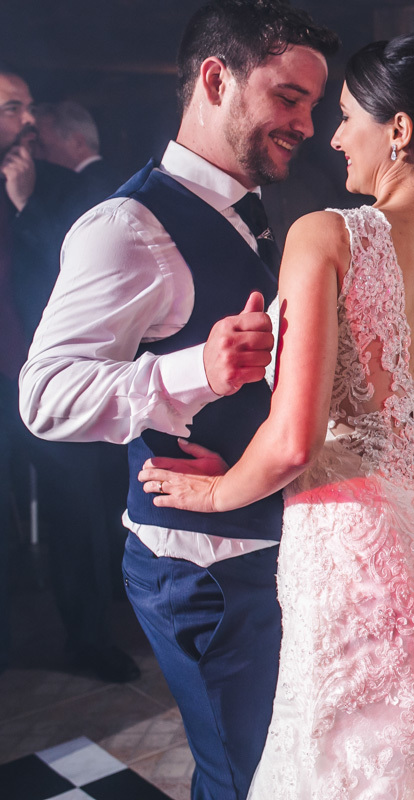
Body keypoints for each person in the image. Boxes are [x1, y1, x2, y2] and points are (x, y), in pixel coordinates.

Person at [137, 33, 414, 798]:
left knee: (342, 766)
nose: (332, 137)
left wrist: (212, 492)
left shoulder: (328, 235)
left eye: (344, 116)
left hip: (364, 556)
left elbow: (295, 439)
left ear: (398, 130)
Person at [19, 2, 340, 796]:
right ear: (215, 78)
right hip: (202, 569)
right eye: (288, 97)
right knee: (244, 780)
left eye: (314, 104)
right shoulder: (125, 226)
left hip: (264, 544)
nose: (306, 123)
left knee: (269, 774)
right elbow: (44, 395)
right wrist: (197, 369)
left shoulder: (254, 211)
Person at [1, 62, 136, 683]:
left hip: (44, 372)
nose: (28, 121)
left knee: (77, 507)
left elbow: (70, 273)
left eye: (29, 108)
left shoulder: (54, 184)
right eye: (13, 108)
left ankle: (88, 638)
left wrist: (26, 205)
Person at [34, 100, 126, 198]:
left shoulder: (89, 189)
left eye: (42, 146)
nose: (35, 154)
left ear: (78, 143)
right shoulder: (110, 179)